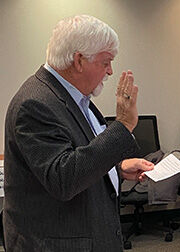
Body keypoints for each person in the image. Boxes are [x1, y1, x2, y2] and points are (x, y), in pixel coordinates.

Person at [3, 15, 154, 251]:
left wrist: (117, 168)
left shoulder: (74, 98)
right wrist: (123, 125)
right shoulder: (34, 104)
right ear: (79, 60)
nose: (111, 71)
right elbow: (63, 179)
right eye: (106, 62)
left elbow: (79, 154)